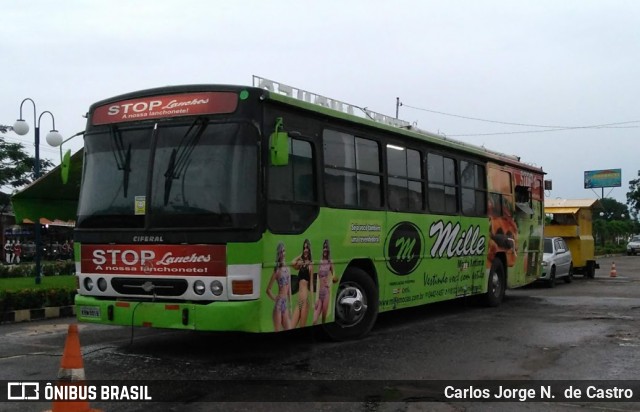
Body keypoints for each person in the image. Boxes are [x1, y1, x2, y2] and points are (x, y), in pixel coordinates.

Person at [266, 242, 292, 331]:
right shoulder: (277, 271)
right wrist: (274, 298)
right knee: (277, 331)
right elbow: (268, 289)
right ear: (278, 254)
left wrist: (290, 306)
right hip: (279, 305)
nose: (283, 254)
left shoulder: (288, 269)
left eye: (284, 251)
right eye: (281, 252)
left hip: (286, 304)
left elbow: (289, 290)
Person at [313, 239, 338, 325]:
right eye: (324, 247)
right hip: (320, 294)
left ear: (328, 250)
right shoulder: (320, 262)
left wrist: (330, 283)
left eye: (326, 248)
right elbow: (317, 280)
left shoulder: (330, 262)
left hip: (326, 292)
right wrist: (316, 299)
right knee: (314, 320)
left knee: (323, 318)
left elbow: (334, 274)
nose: (325, 249)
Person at [291, 239, 313, 328]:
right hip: (299, 301)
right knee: (291, 326)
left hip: (305, 301)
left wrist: (313, 302)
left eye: (307, 248)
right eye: (304, 248)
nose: (305, 250)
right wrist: (300, 255)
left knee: (302, 326)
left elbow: (311, 284)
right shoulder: (300, 264)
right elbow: (292, 263)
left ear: (309, 249)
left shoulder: (311, 265)